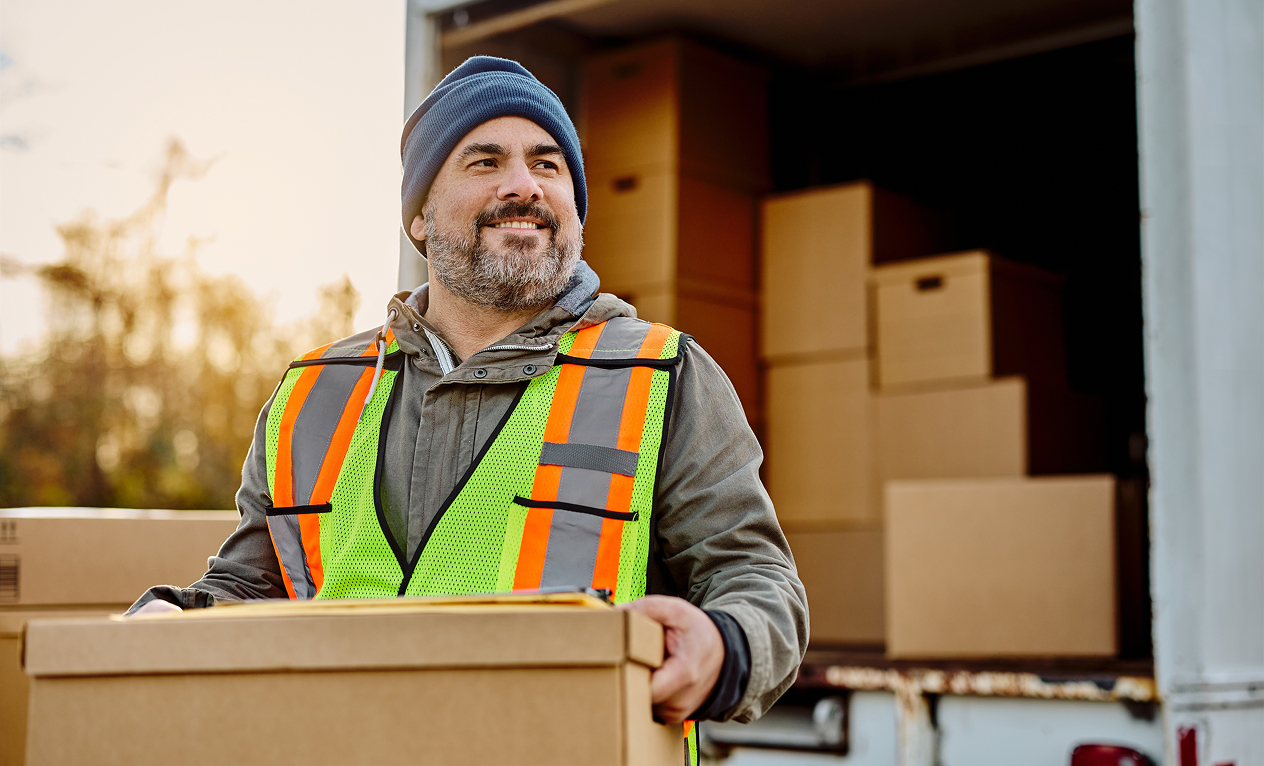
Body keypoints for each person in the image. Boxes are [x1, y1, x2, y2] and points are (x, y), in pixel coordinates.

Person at [129, 56, 808, 759]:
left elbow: (757, 582)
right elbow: (251, 585)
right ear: (419, 217)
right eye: (485, 162)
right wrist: (174, 618)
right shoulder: (312, 393)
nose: (524, 185)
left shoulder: (662, 375)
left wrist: (723, 647)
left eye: (548, 165)